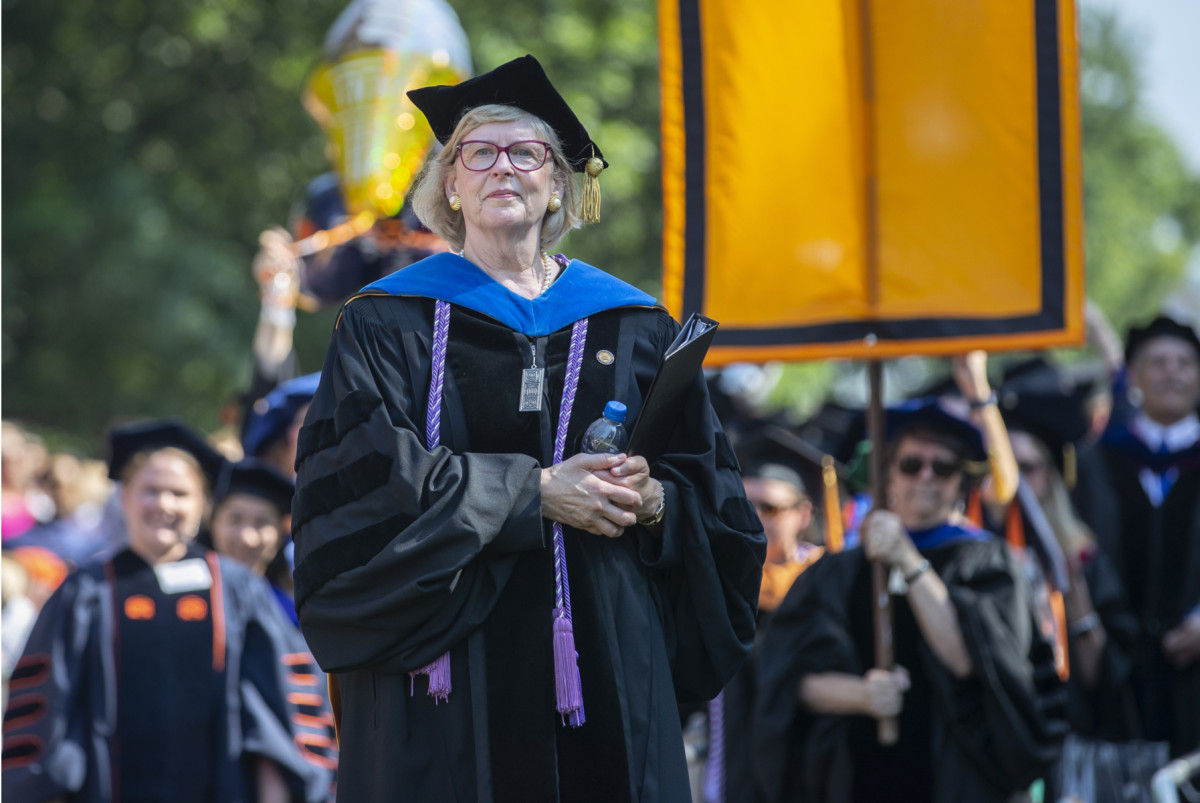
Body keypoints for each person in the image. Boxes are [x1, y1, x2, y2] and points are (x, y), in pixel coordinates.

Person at [290, 54, 766, 802]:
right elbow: (358, 495)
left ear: (558, 183)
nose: (500, 168)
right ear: (449, 183)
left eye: (526, 152)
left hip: (608, 667)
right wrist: (532, 493)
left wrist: (656, 503)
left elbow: (721, 508)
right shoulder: (386, 324)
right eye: (477, 153)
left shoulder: (634, 326)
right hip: (446, 678)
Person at [1, 420, 331, 802]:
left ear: (203, 504)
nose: (164, 505)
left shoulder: (238, 590)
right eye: (150, 491)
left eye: (179, 493)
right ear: (124, 497)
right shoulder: (85, 591)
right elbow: (47, 719)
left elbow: (276, 714)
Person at [754, 401, 1067, 803]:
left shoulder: (988, 564)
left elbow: (968, 659)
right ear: (888, 473)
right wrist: (860, 695)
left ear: (960, 483)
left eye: (943, 467)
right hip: (855, 779)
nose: (926, 477)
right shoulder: (840, 571)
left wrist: (906, 558)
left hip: (956, 780)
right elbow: (785, 681)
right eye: (910, 463)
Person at [1072, 314, 1200, 758]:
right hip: (1115, 670)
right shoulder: (1095, 463)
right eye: (1158, 362)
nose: (1173, 372)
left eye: (1185, 362)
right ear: (1135, 377)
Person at [691, 429, 825, 803]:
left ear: (803, 513)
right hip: (730, 773)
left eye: (770, 508)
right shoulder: (718, 583)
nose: (754, 518)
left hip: (807, 773)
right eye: (744, 504)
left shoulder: (823, 582)